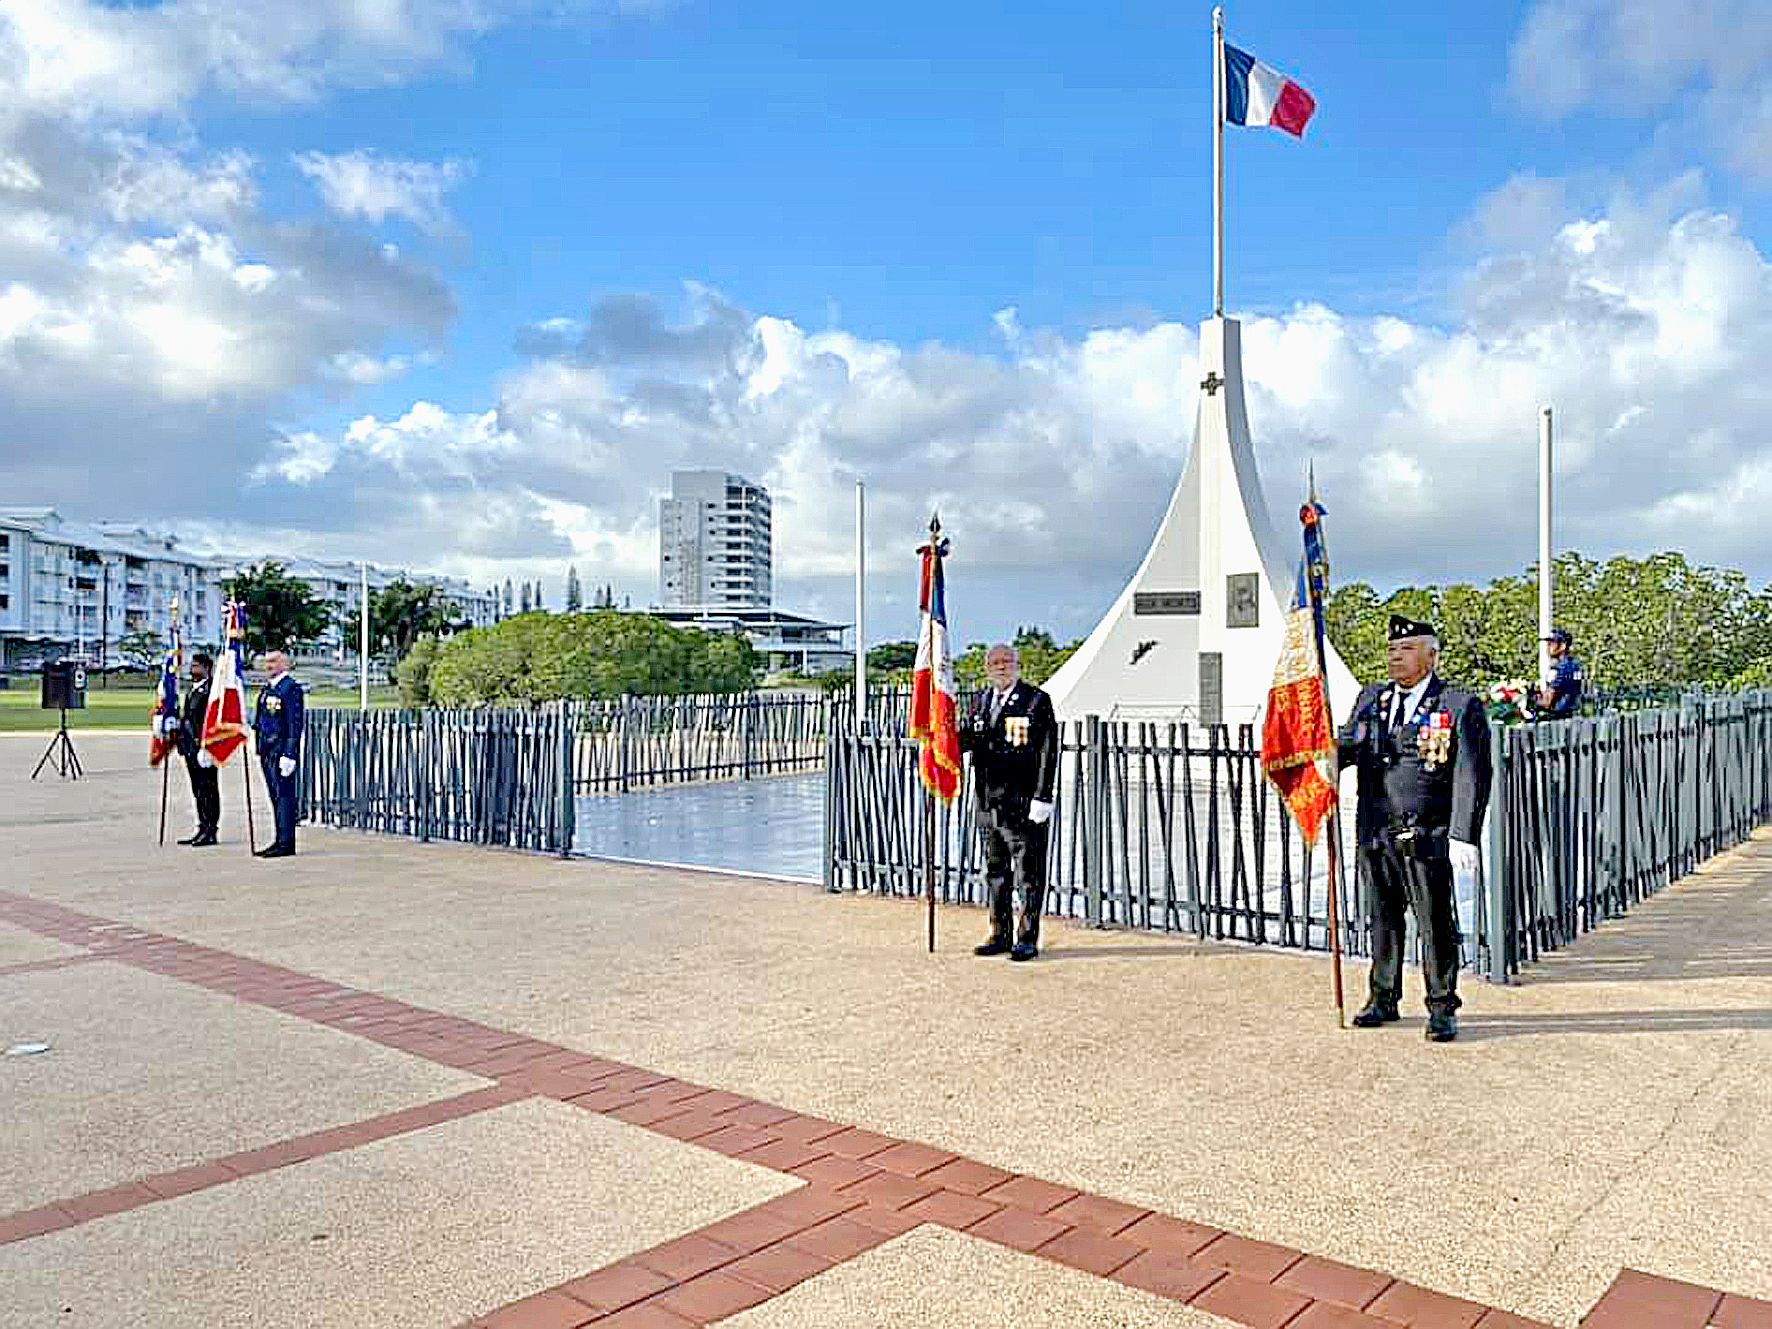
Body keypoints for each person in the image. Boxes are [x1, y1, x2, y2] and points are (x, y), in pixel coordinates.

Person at [1338, 615, 1492, 1042]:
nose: (1395, 657)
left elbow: (1472, 773)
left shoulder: (1457, 705)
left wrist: (1464, 832)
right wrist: (1318, 748)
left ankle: (1442, 1005)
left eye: (1405, 650)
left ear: (1431, 654)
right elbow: (1348, 746)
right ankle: (1382, 996)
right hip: (1375, 829)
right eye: (1391, 650)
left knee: (1434, 922)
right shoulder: (1372, 699)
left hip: (1425, 833)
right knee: (1383, 918)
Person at [961, 644, 1060, 961]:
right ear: (986, 667)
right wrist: (941, 737)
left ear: (1017, 665)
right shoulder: (980, 701)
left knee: (1028, 874)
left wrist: (1043, 795)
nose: (1001, 666)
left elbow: (1048, 749)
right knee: (996, 872)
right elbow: (968, 739)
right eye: (995, 662)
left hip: (1022, 802)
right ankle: (999, 933)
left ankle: (1027, 937)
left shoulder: (1035, 700)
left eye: (1006, 661)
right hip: (988, 801)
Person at [253, 649, 305, 858]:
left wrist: (290, 753)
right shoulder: (269, 688)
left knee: (285, 797)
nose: (269, 666)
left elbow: (294, 723)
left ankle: (286, 843)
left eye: (274, 661)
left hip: (281, 750)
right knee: (275, 797)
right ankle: (279, 839)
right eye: (267, 662)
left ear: (285, 664)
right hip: (267, 750)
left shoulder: (290, 688)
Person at [175, 652, 220, 847]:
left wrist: (207, 746)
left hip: (204, 748)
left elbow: (212, 721)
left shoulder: (212, 691)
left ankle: (211, 829)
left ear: (207, 668)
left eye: (196, 667)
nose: (192, 670)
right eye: (192, 666)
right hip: (191, 747)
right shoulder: (194, 690)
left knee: (208, 789)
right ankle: (202, 826)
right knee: (197, 790)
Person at [1535, 628, 1585, 720]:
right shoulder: (1575, 665)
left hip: (1557, 719)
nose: (1548, 646)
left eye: (1552, 643)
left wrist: (1530, 699)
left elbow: (1548, 701)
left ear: (1562, 646)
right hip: (1572, 716)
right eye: (1548, 643)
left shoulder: (1559, 668)